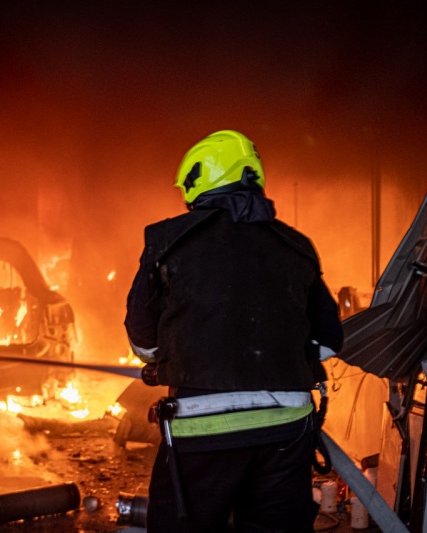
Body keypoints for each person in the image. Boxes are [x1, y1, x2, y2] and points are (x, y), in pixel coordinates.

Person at [124, 130, 344, 532]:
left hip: (201, 428)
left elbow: (142, 338)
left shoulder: (167, 241)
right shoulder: (297, 246)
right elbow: (329, 342)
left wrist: (163, 358)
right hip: (285, 431)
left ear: (198, 181)